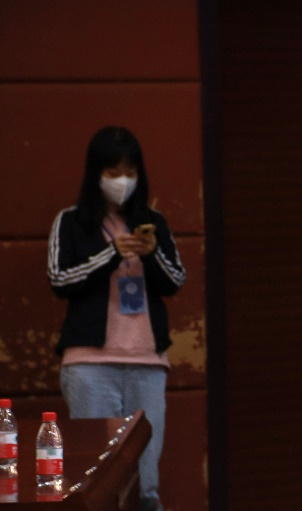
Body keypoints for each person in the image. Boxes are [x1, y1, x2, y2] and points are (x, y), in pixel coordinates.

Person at [47, 126, 186, 511]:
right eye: (113, 172)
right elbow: (60, 279)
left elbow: (176, 280)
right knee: (96, 482)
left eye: (130, 172)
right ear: (96, 174)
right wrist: (111, 254)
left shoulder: (153, 221)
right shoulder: (71, 221)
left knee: (146, 483)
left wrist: (151, 253)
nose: (122, 181)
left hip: (147, 364)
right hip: (90, 365)